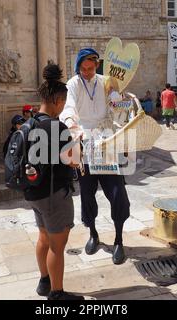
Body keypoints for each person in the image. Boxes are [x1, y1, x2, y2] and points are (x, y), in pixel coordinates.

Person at [60, 48, 131, 265]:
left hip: (107, 142)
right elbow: (68, 106)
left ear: (97, 65)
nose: (87, 72)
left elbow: (119, 109)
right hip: (84, 143)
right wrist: (71, 124)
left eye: (91, 69)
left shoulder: (107, 81)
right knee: (87, 195)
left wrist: (123, 100)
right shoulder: (72, 84)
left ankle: (119, 239)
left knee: (117, 193)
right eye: (83, 69)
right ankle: (93, 233)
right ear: (78, 66)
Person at [25, 62, 83, 300]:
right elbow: (73, 161)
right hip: (55, 194)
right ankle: (57, 294)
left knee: (42, 238)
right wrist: (76, 137)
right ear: (59, 101)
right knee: (57, 246)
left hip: (35, 192)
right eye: (63, 103)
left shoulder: (29, 123)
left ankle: (44, 281)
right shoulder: (57, 126)